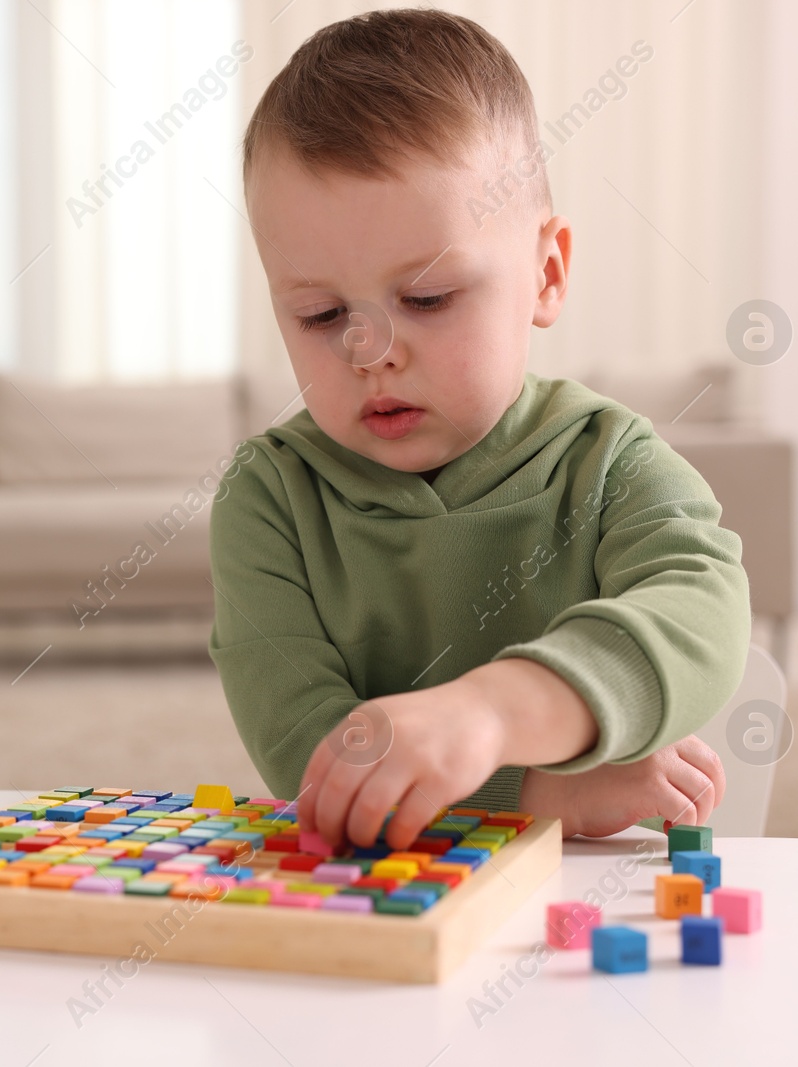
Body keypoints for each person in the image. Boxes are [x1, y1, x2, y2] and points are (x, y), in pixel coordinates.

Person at [209, 8, 747, 849]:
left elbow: (703, 613)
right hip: (385, 912)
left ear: (546, 273)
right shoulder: (272, 496)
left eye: (425, 299)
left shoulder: (608, 460)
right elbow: (308, 751)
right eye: (319, 314)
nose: (370, 350)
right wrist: (538, 793)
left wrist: (496, 711)